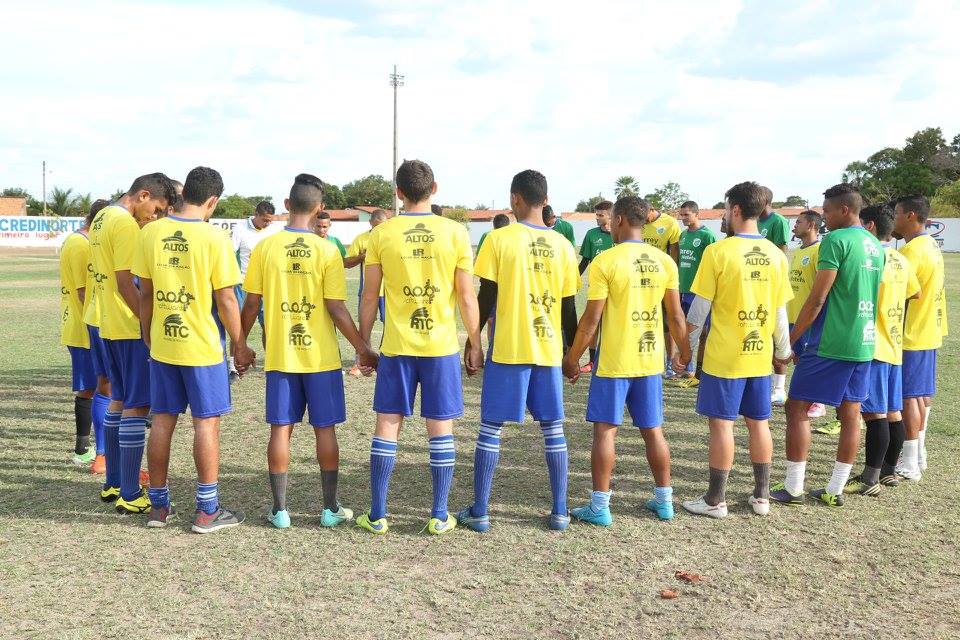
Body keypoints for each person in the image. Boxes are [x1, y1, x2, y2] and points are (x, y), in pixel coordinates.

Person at [242, 174, 378, 529]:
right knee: (325, 431)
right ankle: (329, 509)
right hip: (321, 359)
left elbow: (251, 304)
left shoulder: (265, 248)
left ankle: (281, 511)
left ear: (286, 205)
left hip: (281, 357)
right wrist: (362, 349)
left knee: (280, 429)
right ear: (320, 208)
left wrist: (240, 345)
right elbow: (336, 307)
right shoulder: (326, 249)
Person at [356, 159, 482, 536]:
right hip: (441, 346)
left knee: (387, 425)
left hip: (397, 346)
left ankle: (378, 515)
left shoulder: (383, 233)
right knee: (439, 428)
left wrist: (364, 345)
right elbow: (465, 295)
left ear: (398, 192)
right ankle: (439, 515)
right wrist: (475, 343)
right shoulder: (456, 233)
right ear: (435, 189)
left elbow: (368, 295)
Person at [456, 169, 580, 533]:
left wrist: (474, 340)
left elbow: (486, 296)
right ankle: (559, 512)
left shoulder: (499, 239)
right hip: (548, 350)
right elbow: (568, 305)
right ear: (545, 199)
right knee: (553, 429)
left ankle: (481, 511)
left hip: (509, 348)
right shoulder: (563, 245)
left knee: (490, 429)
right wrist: (571, 354)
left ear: (514, 200)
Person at [133, 166, 253, 532]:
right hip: (201, 348)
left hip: (164, 347)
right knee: (206, 424)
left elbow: (147, 294)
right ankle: (206, 511)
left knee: (163, 421)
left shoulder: (152, 232)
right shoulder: (215, 239)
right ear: (212, 201)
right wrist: (240, 344)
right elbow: (227, 300)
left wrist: (147, 334)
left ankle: (158, 508)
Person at [562, 196, 690, 525]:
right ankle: (665, 502)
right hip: (650, 363)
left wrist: (572, 358)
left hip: (615, 363)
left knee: (605, 433)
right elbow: (675, 316)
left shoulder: (607, 261)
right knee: (653, 432)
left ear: (619, 220)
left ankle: (600, 507)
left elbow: (590, 322)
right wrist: (685, 353)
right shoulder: (665, 262)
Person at [681, 181, 792, 519]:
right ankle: (761, 498)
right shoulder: (775, 254)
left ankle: (716, 501)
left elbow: (699, 310)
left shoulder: (719, 251)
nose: (724, 215)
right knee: (759, 423)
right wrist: (783, 350)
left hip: (724, 358)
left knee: (723, 426)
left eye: (726, 209)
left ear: (737, 209)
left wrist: (683, 347)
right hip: (759, 358)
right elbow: (779, 311)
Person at [771, 184, 883, 508]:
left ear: (844, 210)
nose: (825, 218)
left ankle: (793, 488)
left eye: (828, 211)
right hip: (863, 340)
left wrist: (789, 341)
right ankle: (834, 489)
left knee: (796, 408)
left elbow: (817, 298)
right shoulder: (875, 244)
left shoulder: (836, 240)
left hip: (831, 342)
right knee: (851, 413)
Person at [88, 173, 176, 513]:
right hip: (127, 325)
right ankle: (129, 492)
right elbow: (126, 283)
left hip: (106, 322)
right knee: (137, 405)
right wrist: (148, 323)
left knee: (118, 399)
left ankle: (112, 483)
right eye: (156, 209)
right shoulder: (123, 223)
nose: (153, 217)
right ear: (142, 196)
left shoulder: (102, 217)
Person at [843, 203, 919, 495]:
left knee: (874, 414)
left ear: (870, 226)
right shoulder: (900, 259)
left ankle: (869, 479)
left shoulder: (872, 257)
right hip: (894, 343)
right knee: (892, 412)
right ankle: (889, 472)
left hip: (872, 343)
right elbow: (916, 292)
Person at [893, 195, 947, 480]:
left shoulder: (912, 251)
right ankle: (919, 453)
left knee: (909, 397)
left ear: (911, 216)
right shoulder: (931, 246)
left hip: (912, 331)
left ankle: (910, 461)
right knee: (921, 395)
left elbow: (902, 292)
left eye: (897, 213)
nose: (895, 219)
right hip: (930, 329)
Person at [60, 211, 98, 466]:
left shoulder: (77, 241)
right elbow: (85, 292)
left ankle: (86, 447)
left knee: (94, 387)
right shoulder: (81, 244)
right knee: (88, 388)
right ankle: (82, 449)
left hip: (80, 324)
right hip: (82, 327)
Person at [784, 210, 826, 419]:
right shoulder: (798, 251)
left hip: (809, 318)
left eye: (798, 222)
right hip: (792, 315)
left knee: (812, 359)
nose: (794, 226)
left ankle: (818, 401)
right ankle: (807, 397)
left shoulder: (819, 250)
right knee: (799, 358)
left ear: (811, 225)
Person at [81, 199, 113, 475]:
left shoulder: (96, 234)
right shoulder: (125, 229)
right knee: (121, 393)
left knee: (105, 386)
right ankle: (110, 460)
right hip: (113, 319)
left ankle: (102, 456)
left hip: (96, 314)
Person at [230, 201, 278, 370]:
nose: (268, 223)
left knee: (268, 324)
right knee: (239, 327)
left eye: (270, 220)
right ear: (256, 215)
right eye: (265, 220)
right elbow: (230, 253)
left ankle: (271, 361)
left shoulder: (274, 230)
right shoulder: (240, 229)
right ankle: (233, 363)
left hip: (267, 287)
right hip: (244, 285)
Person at [675, 201, 717, 384]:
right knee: (685, 330)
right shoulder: (683, 235)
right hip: (683, 289)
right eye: (681, 215)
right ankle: (688, 368)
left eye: (686, 215)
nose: (683, 218)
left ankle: (700, 371)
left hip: (700, 292)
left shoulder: (707, 236)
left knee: (702, 332)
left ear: (696, 214)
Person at [344, 208, 388, 376]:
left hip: (389, 291)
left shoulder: (391, 238)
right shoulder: (362, 239)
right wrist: (363, 257)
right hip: (367, 290)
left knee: (389, 327)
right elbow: (346, 262)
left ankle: (384, 361)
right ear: (370, 223)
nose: (378, 229)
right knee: (364, 328)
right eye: (375, 226)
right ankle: (361, 362)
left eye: (381, 226)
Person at [578, 200, 614, 372]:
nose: (597, 218)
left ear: (611, 215)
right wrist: (574, 279)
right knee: (594, 323)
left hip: (617, 290)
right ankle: (592, 361)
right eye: (596, 215)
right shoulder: (591, 234)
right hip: (596, 289)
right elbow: (584, 261)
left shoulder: (620, 235)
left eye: (600, 215)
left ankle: (608, 359)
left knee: (612, 326)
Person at [758, 187, 790, 251]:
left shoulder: (779, 221)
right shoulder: (754, 221)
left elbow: (782, 252)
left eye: (754, 199)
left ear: (764, 201)